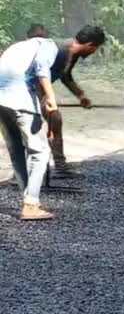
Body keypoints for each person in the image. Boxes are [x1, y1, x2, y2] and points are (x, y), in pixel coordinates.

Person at [28, 24, 104, 178]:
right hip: (24, 88)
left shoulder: (73, 53)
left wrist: (81, 95)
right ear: (90, 45)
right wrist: (47, 99)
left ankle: (61, 168)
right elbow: (39, 75)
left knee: (55, 120)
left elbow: (65, 76)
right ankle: (24, 173)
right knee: (32, 125)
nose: (94, 52)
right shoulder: (59, 50)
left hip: (38, 89)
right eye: (95, 48)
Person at [0, 35, 59, 220]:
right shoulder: (49, 45)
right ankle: (31, 205)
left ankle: (27, 197)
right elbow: (42, 69)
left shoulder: (16, 47)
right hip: (20, 100)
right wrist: (50, 98)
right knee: (39, 152)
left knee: (16, 150)